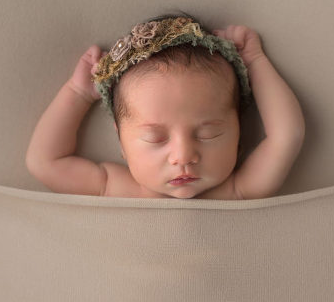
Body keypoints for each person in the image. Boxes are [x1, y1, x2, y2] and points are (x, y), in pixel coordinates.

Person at [26, 12, 305, 199]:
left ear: (239, 136)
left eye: (209, 134)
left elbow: (286, 135)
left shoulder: (239, 190)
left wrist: (255, 61)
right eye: (155, 137)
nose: (183, 157)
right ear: (121, 143)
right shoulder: (119, 189)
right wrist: (77, 93)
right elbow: (46, 162)